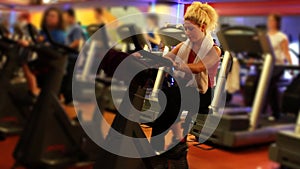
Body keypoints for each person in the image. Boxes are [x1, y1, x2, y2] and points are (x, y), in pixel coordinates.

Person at [150, 2, 221, 168]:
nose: (187, 33)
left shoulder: (214, 50)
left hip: (203, 95)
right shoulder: (184, 45)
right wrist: (150, 58)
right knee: (167, 93)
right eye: (185, 29)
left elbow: (199, 67)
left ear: (202, 27)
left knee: (172, 95)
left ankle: (159, 142)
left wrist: (180, 65)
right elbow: (167, 57)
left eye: (190, 29)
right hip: (184, 91)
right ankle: (176, 143)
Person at [266, 13, 293, 120]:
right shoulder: (266, 35)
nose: (270, 23)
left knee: (272, 87)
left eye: (272, 20)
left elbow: (286, 52)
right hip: (267, 65)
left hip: (278, 66)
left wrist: (291, 66)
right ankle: (261, 111)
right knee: (261, 87)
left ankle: (275, 113)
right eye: (269, 20)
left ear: (277, 22)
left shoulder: (281, 37)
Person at [61, 8, 86, 105]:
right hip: (67, 56)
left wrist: (65, 48)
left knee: (70, 78)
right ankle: (64, 97)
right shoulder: (69, 27)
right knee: (65, 77)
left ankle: (69, 99)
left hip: (73, 56)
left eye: (66, 17)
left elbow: (76, 42)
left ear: (71, 17)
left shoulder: (76, 28)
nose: (65, 19)